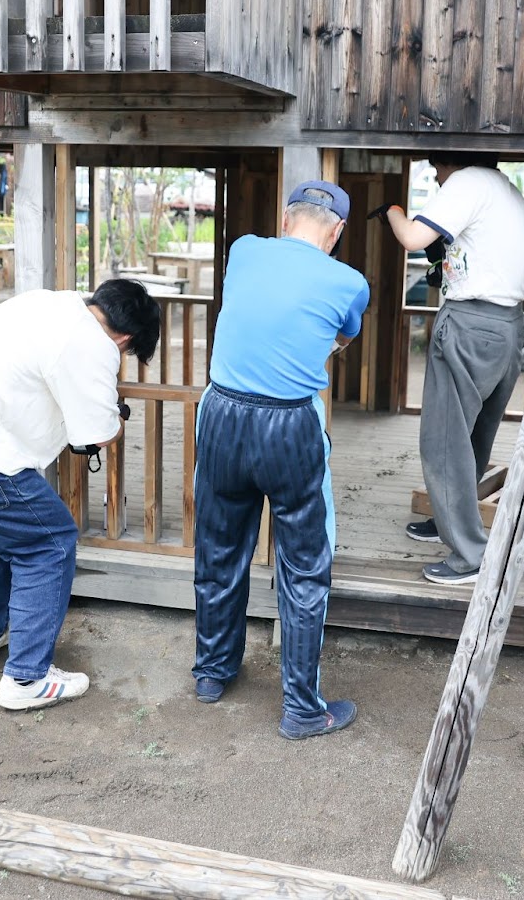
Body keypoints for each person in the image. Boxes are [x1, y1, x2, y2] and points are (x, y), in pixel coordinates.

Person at [0, 279, 160, 710]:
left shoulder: (45, 303)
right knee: (49, 544)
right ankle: (26, 679)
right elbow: (95, 433)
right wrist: (118, 419)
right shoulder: (94, 344)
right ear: (127, 337)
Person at [193, 180, 369, 740]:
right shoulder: (349, 282)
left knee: (219, 547)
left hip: (220, 412)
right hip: (288, 424)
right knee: (304, 564)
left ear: (285, 218)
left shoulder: (244, 250)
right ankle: (300, 708)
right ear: (337, 232)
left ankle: (211, 673)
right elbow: (340, 338)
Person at [378, 153, 524, 584]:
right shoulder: (506, 189)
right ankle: (450, 522)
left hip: (471, 323)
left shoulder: (467, 182)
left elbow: (413, 237)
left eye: (435, 168)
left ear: (453, 161)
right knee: (471, 437)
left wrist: (394, 211)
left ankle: (470, 555)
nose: (435, 176)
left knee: (444, 441)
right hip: (508, 324)